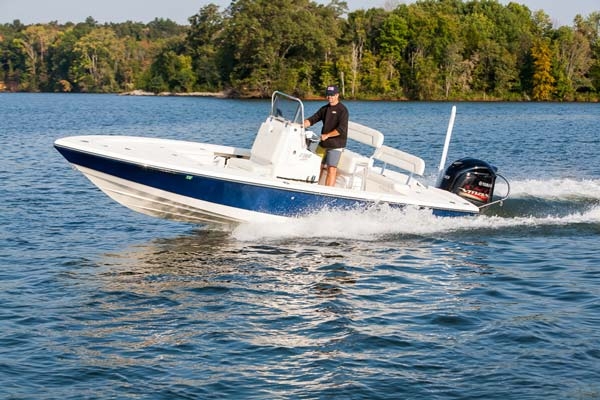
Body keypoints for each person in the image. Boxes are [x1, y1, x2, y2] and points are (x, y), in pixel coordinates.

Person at [303, 85, 349, 187]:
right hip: (323, 143)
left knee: (331, 168)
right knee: (316, 164)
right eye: (328, 95)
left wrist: (327, 135)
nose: (330, 97)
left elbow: (341, 129)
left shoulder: (343, 110)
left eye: (332, 95)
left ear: (337, 95)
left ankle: (328, 192)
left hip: (336, 144)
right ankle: (313, 186)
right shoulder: (324, 109)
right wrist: (300, 124)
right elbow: (312, 119)